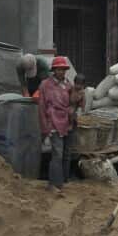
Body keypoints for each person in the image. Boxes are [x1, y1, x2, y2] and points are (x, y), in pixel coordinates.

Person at [37, 56, 73, 192]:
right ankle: (53, 184)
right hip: (53, 122)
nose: (62, 72)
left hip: (66, 122)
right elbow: (41, 107)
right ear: (54, 70)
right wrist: (45, 127)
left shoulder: (68, 85)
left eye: (64, 69)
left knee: (64, 154)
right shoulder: (45, 85)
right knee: (57, 154)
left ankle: (60, 182)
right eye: (59, 69)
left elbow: (72, 103)